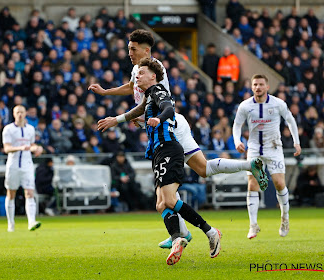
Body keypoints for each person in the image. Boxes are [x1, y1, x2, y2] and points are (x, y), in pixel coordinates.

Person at [88, 29, 268, 249]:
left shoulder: (155, 69)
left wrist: (121, 119)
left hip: (169, 129)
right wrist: (107, 92)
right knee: (198, 172)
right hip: (167, 127)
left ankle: (187, 232)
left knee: (167, 194)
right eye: (128, 49)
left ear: (147, 50)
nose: (129, 53)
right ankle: (248, 166)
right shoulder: (138, 71)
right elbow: (132, 89)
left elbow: (153, 103)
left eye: (133, 49)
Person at [98, 58, 222, 265]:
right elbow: (137, 111)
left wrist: (159, 119)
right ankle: (177, 239)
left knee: (170, 200)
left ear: (153, 76)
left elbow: (168, 108)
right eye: (136, 73)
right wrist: (116, 120)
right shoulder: (148, 97)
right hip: (157, 152)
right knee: (160, 203)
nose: (137, 75)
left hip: (169, 149)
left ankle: (210, 232)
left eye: (141, 72)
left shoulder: (159, 91)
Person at [233, 74, 301, 239]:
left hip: (274, 147)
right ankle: (253, 225)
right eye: (255, 84)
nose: (258, 87)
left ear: (267, 87)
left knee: (279, 183)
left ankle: (285, 218)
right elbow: (237, 125)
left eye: (261, 84)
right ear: (251, 87)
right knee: (252, 184)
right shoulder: (245, 106)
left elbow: (290, 120)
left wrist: (296, 142)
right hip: (254, 149)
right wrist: (237, 141)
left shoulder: (278, 103)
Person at [2, 105, 43, 232]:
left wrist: (37, 148)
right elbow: (7, 148)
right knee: (11, 193)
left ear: (25, 114)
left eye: (22, 112)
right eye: (17, 112)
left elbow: (31, 145)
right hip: (13, 164)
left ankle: (31, 222)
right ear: (14, 114)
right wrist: (20, 148)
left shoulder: (30, 129)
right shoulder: (8, 129)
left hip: (27, 164)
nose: (20, 114)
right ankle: (11, 224)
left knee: (29, 192)